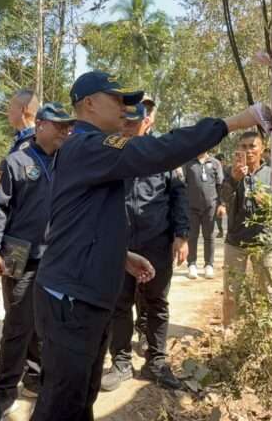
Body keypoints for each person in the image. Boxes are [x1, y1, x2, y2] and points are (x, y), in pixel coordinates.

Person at [31, 70, 268, 420]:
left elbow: (82, 219)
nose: (125, 108)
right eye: (117, 100)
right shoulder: (88, 145)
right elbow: (159, 150)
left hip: (82, 295)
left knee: (80, 399)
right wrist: (234, 122)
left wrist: (119, 254)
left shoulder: (87, 149)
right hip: (71, 300)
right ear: (90, 104)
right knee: (60, 406)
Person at [0, 103, 75, 421]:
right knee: (17, 326)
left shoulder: (69, 161)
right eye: (59, 126)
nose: (65, 132)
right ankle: (4, 393)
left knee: (52, 326)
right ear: (40, 125)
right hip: (18, 253)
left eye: (68, 127)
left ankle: (40, 382)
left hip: (58, 256)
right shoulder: (15, 162)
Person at [100, 102, 189, 393]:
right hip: (120, 244)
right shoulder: (110, 152)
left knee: (156, 303)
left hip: (157, 241)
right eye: (123, 121)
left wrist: (181, 235)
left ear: (146, 122)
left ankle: (156, 362)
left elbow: (179, 195)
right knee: (119, 303)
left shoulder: (163, 153)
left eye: (133, 122)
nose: (127, 127)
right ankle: (121, 362)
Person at [219, 131, 272, 326]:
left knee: (268, 290)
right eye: (243, 146)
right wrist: (234, 180)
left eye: (252, 146)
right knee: (231, 291)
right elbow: (223, 199)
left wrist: (268, 200)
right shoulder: (230, 172)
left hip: (264, 243)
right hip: (235, 241)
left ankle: (269, 332)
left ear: (262, 149)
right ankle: (229, 330)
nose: (248, 151)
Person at [182, 151, 224, 279]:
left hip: (210, 207)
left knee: (209, 236)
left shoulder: (215, 163)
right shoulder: (188, 163)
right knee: (192, 236)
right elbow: (182, 184)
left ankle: (209, 265)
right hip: (192, 207)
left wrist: (222, 204)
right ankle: (192, 264)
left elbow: (220, 185)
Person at [7, 88, 38, 152]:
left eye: (10, 107)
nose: (8, 111)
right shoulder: (18, 138)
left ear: (23, 109)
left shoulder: (38, 141)